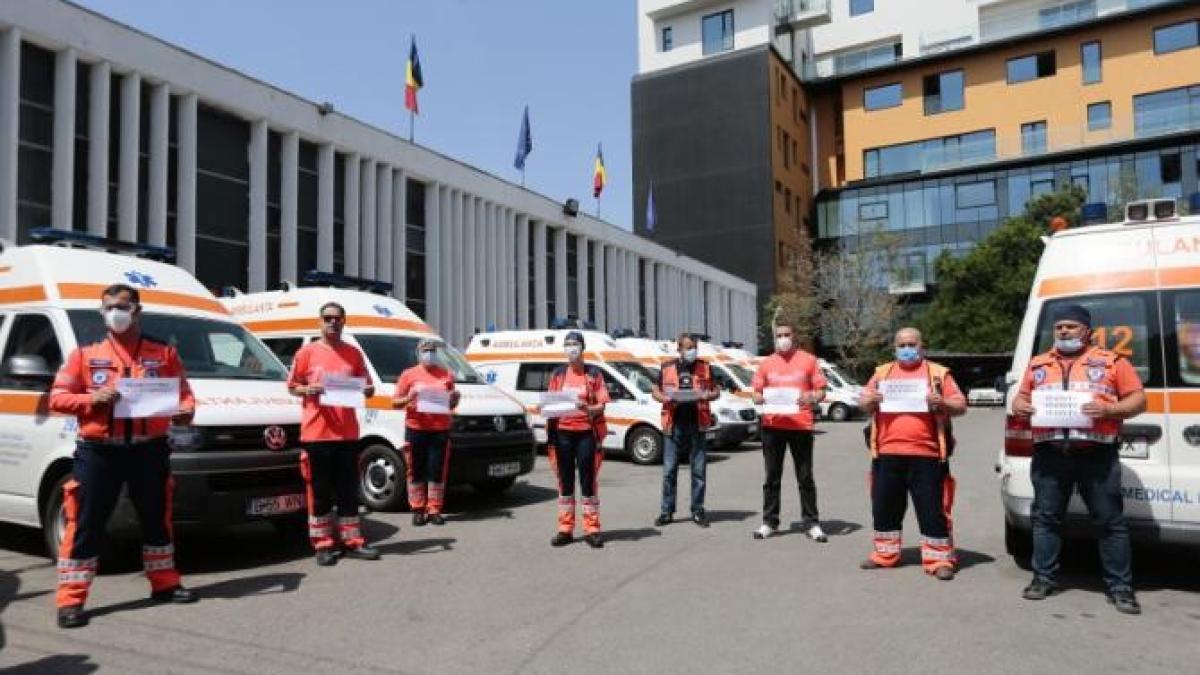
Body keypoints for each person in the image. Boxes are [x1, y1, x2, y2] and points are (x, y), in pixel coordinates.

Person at [50, 284, 198, 629]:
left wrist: (185, 412)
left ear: (137, 310)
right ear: (102, 313)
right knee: (85, 522)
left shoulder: (164, 353)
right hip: (99, 452)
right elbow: (57, 398)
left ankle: (165, 584)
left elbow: (186, 395)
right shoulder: (84, 355)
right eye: (108, 307)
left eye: (122, 306)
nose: (115, 312)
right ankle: (71, 600)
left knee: (156, 519)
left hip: (149, 449)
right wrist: (92, 399)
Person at [1011, 303, 1145, 615]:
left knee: (1110, 522)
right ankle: (1043, 578)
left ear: (1087, 330)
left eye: (1071, 326)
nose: (1064, 331)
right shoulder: (1038, 364)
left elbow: (1138, 399)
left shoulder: (1112, 362)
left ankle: (1120, 587)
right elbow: (1022, 398)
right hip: (1049, 454)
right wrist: (1020, 405)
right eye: (1059, 327)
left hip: (1096, 455)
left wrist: (1111, 410)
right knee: (1045, 519)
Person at [859, 327, 967, 580]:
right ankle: (884, 555)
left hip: (928, 455)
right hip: (886, 453)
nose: (907, 349)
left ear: (922, 346)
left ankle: (939, 560)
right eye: (901, 344)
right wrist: (869, 401)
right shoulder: (882, 373)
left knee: (932, 509)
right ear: (894, 348)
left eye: (912, 344)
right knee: (884, 507)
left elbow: (960, 405)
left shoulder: (938, 374)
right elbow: (862, 402)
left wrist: (942, 402)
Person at [286, 302, 380, 566]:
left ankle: (353, 541)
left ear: (344, 321)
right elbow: (292, 386)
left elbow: (369, 388)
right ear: (320, 321)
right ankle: (323, 544)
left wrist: (364, 389)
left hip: (347, 434)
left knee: (349, 490)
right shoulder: (306, 353)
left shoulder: (353, 353)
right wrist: (308, 390)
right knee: (321, 491)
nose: (332, 323)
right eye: (327, 318)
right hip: (317, 434)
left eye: (337, 318)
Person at [750, 321, 827, 541]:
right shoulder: (766, 363)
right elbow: (755, 392)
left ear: (794, 337)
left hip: (800, 426)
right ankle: (769, 522)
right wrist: (757, 397)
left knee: (805, 477)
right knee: (772, 477)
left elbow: (821, 390)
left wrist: (811, 397)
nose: (783, 338)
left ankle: (812, 522)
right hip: (772, 426)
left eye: (787, 334)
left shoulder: (809, 360)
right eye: (779, 335)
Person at [540, 331, 609, 548]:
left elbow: (602, 405)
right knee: (565, 481)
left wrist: (589, 408)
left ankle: (592, 529)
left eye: (575, 344)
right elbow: (550, 402)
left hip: (586, 433)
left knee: (588, 480)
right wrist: (544, 408)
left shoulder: (594, 374)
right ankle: (565, 529)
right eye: (567, 344)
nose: (571, 348)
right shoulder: (558, 374)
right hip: (563, 434)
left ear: (582, 347)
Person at [651, 333, 719, 528]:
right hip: (673, 424)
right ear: (678, 349)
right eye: (688, 347)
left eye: (694, 347)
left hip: (698, 423)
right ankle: (667, 511)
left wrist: (708, 394)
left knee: (698, 470)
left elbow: (716, 391)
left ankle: (698, 510)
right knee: (669, 470)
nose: (692, 351)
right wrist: (663, 398)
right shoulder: (667, 367)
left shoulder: (705, 366)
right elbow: (655, 390)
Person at [393, 338, 461, 526]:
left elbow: (451, 403)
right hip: (416, 428)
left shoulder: (446, 375)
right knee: (416, 470)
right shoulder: (408, 375)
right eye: (425, 350)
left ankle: (434, 509)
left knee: (437, 470)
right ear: (418, 353)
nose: (429, 353)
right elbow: (394, 402)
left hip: (440, 429)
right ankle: (417, 509)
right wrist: (408, 398)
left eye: (432, 350)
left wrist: (455, 399)